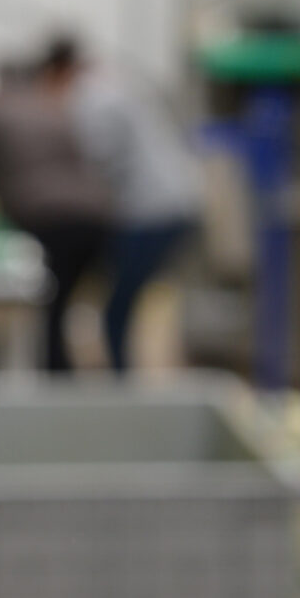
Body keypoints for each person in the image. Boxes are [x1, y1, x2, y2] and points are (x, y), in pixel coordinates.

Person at [0, 49, 112, 373]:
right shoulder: (51, 108)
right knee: (61, 306)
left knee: (45, 309)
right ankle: (59, 374)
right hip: (96, 215)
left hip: (47, 217)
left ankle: (50, 385)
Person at [64, 38, 203, 372]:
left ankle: (122, 382)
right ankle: (127, 374)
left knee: (119, 307)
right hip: (177, 202)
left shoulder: (94, 97)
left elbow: (98, 156)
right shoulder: (115, 86)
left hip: (151, 212)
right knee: (135, 298)